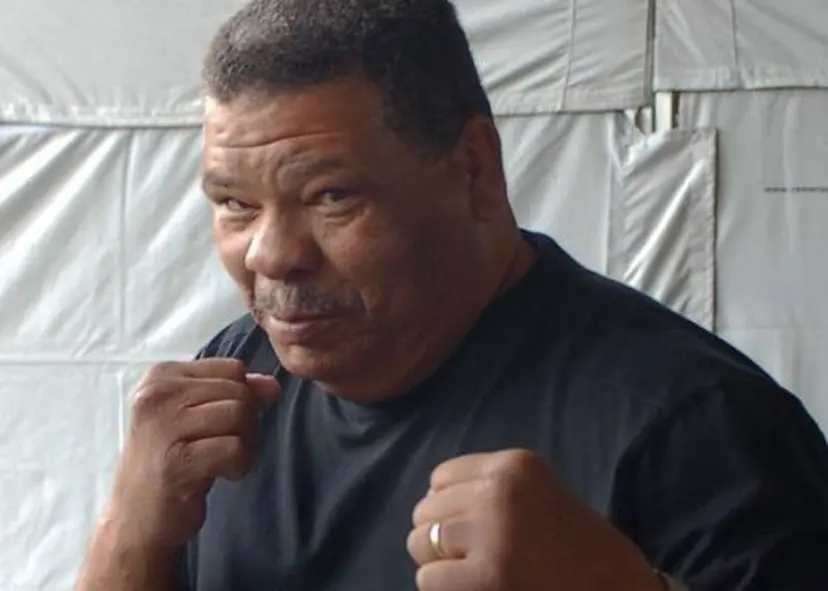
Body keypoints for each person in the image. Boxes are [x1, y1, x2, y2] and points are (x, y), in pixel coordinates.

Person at [76, 0, 828, 589]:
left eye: (332, 195)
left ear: (473, 169)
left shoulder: (693, 424)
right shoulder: (233, 382)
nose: (271, 256)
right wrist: (128, 531)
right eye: (235, 204)